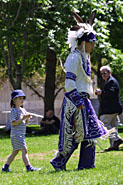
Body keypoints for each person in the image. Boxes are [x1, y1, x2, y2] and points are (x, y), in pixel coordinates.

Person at [50, 11, 108, 171]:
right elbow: (69, 83)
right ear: (83, 42)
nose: (93, 46)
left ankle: (86, 164)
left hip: (84, 100)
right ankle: (58, 162)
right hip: (75, 101)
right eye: (91, 42)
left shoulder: (84, 58)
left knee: (91, 132)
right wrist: (78, 102)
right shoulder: (74, 57)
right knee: (75, 135)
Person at [1, 89, 41, 172]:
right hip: (16, 135)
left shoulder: (23, 110)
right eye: (20, 98)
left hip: (21, 134)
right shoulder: (13, 111)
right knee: (24, 150)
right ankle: (28, 167)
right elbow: (13, 123)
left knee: (15, 152)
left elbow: (25, 123)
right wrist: (22, 118)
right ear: (14, 100)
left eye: (23, 98)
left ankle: (5, 167)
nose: (22, 100)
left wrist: (27, 119)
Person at [96, 66, 123, 151]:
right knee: (113, 127)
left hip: (111, 108)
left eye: (105, 73)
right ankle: (113, 146)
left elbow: (111, 93)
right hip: (113, 108)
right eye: (102, 73)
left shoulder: (111, 81)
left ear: (109, 73)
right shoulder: (109, 81)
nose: (103, 75)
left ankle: (117, 139)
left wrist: (101, 92)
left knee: (102, 123)